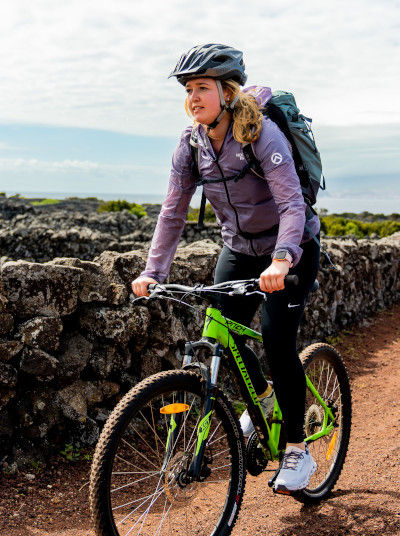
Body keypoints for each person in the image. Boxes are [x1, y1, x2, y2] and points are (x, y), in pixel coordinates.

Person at [131, 43, 320, 493]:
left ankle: (297, 449)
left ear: (227, 92)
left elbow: (292, 203)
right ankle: (266, 400)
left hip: (291, 248)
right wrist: (152, 271)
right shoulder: (191, 144)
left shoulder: (261, 134)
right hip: (237, 248)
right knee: (220, 328)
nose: (193, 97)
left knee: (276, 340)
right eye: (189, 89)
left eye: (202, 88)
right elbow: (173, 212)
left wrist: (281, 257)